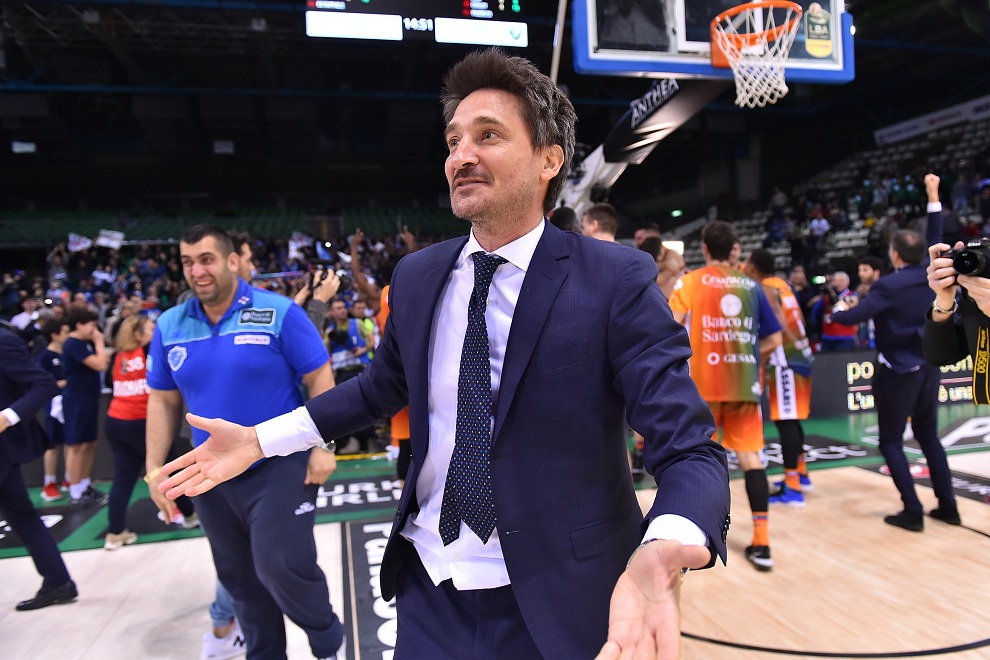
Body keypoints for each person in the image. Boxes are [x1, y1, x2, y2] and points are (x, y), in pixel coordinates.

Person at [158, 48, 730, 659]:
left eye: (488, 135)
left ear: (549, 159)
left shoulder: (613, 279)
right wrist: (259, 440)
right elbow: (378, 389)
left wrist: (665, 541)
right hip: (429, 590)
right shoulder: (418, 275)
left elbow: (689, 447)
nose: (462, 155)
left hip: (563, 596)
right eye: (454, 140)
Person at [144, 225, 344, 659]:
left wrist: (323, 445)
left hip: (278, 462)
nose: (197, 270)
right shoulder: (169, 324)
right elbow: (161, 399)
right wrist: (154, 468)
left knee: (281, 565)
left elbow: (319, 376)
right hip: (209, 472)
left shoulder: (280, 312)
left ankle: (327, 639)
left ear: (233, 261)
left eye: (207, 259)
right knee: (238, 578)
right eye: (187, 262)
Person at [831, 193, 958, 530]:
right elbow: (937, 236)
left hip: (899, 370)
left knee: (890, 441)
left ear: (895, 254)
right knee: (929, 436)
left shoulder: (888, 285)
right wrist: (932, 197)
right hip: (929, 366)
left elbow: (854, 317)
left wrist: (838, 311)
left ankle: (912, 510)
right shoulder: (932, 275)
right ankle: (949, 506)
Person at [668, 220, 782, 571]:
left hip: (703, 388)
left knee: (701, 463)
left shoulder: (690, 282)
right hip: (743, 385)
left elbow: (668, 327)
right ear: (733, 248)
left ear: (704, 249)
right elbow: (775, 339)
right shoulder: (751, 285)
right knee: (751, 460)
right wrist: (747, 357)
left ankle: (699, 541)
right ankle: (762, 543)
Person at [0, 325, 78, 611]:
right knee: (22, 516)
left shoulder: (4, 341)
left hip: (3, 447)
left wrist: (7, 417)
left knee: (23, 516)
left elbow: (44, 384)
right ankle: (58, 582)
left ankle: (58, 582)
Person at [103, 315, 197, 550]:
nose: (155, 332)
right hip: (142, 423)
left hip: (115, 420)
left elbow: (109, 382)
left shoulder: (118, 356)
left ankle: (115, 532)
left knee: (124, 477)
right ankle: (189, 515)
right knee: (168, 470)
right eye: (150, 329)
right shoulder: (148, 351)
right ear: (138, 334)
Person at [744, 249, 815, 507]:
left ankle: (793, 488)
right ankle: (801, 474)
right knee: (792, 420)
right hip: (800, 355)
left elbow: (778, 325)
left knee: (786, 423)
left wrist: (762, 356)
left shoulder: (765, 288)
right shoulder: (781, 284)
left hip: (786, 361)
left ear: (753, 266)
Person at [61, 307, 110, 507]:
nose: (94, 330)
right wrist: (99, 342)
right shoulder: (73, 344)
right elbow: (99, 364)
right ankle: (75, 491)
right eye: (91, 325)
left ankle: (84, 485)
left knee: (90, 443)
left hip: (88, 397)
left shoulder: (83, 344)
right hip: (76, 399)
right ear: (80, 325)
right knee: (77, 445)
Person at [36, 319, 70, 502]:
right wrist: (65, 382)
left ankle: (69, 478)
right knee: (53, 443)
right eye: (65, 332)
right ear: (55, 335)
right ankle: (49, 483)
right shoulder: (44, 357)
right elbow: (42, 383)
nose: (68, 335)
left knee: (71, 441)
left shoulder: (67, 354)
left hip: (70, 402)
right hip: (54, 405)